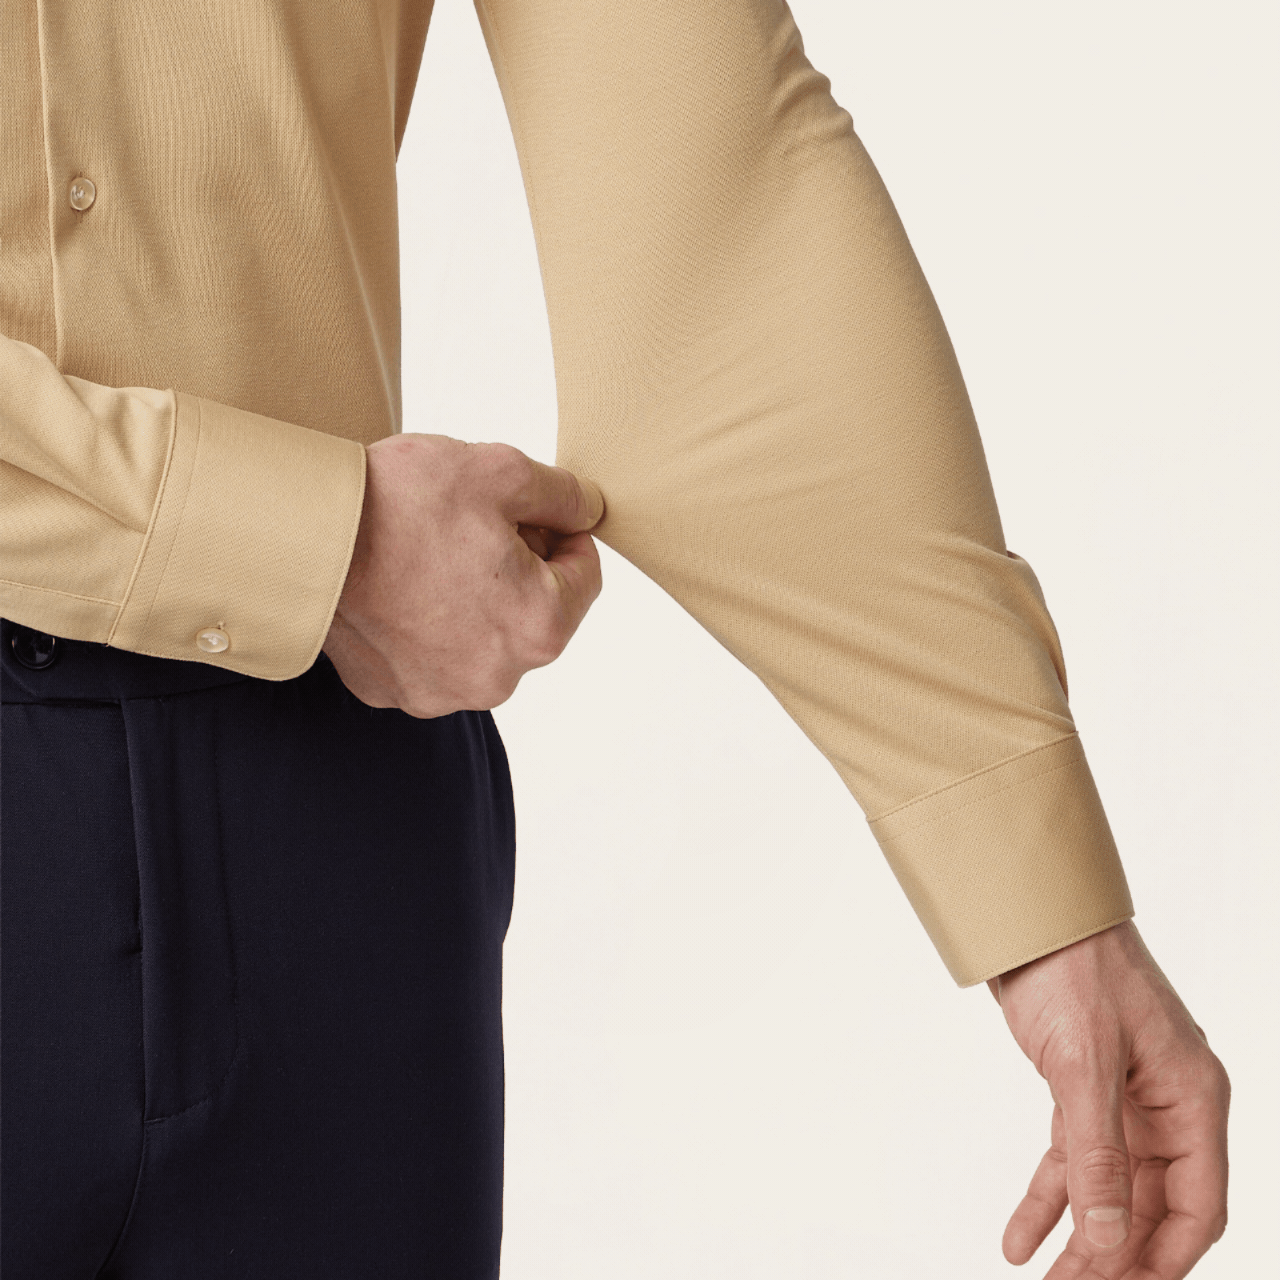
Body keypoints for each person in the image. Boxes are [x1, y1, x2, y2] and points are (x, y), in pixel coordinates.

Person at [0, 1, 1228, 1277]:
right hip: (330, 621)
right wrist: (307, 537)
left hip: (327, 804)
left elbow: (716, 208)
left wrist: (1040, 900)